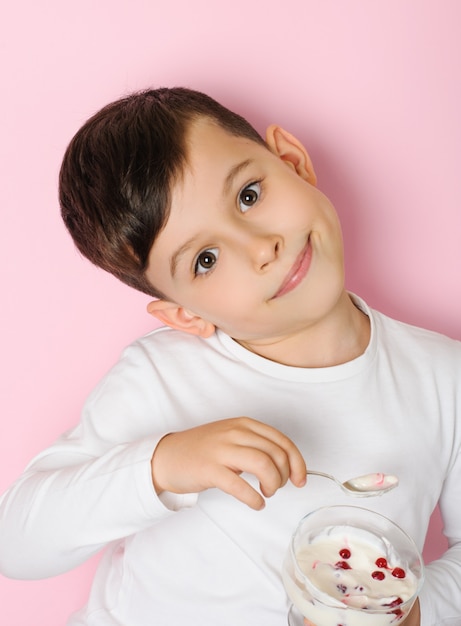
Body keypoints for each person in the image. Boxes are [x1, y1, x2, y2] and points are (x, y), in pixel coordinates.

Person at [0, 88, 459, 626]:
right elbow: (17, 542)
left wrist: (421, 612)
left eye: (248, 195)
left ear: (291, 161)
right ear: (184, 314)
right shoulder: (161, 379)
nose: (260, 248)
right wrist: (162, 466)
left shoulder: (442, 378)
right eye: (206, 259)